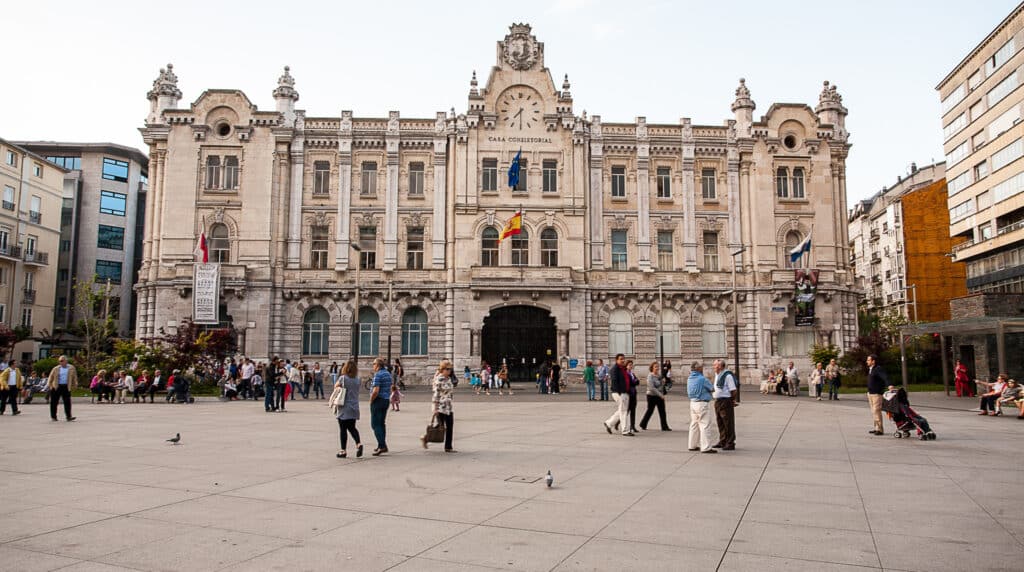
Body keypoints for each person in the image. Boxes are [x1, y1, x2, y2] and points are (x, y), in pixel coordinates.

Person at [422, 359, 456, 452]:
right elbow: (436, 394)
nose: (450, 371)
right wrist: (435, 408)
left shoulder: (448, 378)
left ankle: (448, 447)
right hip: (440, 407)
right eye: (448, 369)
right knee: (440, 427)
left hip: (448, 406)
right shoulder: (439, 379)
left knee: (448, 426)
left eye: (450, 369)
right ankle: (426, 438)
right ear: (443, 369)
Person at [687, 361, 717, 453]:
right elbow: (712, 388)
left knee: (694, 424)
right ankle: (706, 447)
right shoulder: (702, 379)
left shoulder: (689, 379)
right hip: (702, 403)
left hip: (693, 403)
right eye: (701, 368)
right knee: (705, 425)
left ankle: (692, 445)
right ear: (699, 369)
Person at [335, 360, 363, 459]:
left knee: (343, 429)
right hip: (354, 406)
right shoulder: (358, 379)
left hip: (344, 406)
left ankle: (343, 451)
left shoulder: (343, 378)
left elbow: (336, 387)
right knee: (352, 427)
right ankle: (358, 444)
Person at [603, 353, 633, 436]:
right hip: (619, 392)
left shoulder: (622, 368)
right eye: (621, 359)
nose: (623, 360)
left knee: (621, 410)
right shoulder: (614, 369)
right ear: (617, 360)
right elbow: (614, 381)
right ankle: (625, 430)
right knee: (623, 411)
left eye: (623, 358)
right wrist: (620, 392)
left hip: (625, 392)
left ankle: (609, 423)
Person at [712, 359, 737, 450]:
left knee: (728, 422)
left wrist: (732, 400)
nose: (713, 367)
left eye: (715, 365)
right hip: (718, 401)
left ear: (720, 366)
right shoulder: (717, 375)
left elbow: (733, 390)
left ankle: (730, 442)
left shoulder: (727, 376)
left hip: (725, 401)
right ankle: (723, 440)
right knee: (720, 422)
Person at [369, 357, 392, 456]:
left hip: (378, 400)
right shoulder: (388, 374)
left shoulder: (378, 375)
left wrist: (371, 400)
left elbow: (376, 391)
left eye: (374, 364)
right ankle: (381, 444)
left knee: (375, 424)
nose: (373, 366)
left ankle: (382, 445)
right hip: (386, 400)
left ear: (378, 365)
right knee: (382, 423)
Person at [639, 361, 670, 431]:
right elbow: (651, 388)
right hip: (651, 396)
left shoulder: (659, 376)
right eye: (655, 367)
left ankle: (664, 426)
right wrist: (660, 394)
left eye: (658, 367)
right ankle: (643, 424)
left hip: (659, 396)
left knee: (662, 411)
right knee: (650, 410)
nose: (657, 368)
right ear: (652, 368)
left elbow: (661, 386)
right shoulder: (650, 376)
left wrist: (663, 382)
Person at [47, 355, 77, 421]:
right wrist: (49, 385)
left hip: (66, 386)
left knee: (67, 402)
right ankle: (53, 416)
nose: (60, 362)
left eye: (62, 361)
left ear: (66, 361)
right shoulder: (56, 368)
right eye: (60, 361)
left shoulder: (71, 368)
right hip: (57, 386)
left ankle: (68, 416)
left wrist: (75, 384)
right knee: (54, 402)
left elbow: (74, 377)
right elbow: (50, 377)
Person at [866, 354, 888, 435]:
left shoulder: (878, 369)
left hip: (876, 394)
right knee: (873, 411)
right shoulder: (871, 369)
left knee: (876, 410)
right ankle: (876, 428)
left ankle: (880, 429)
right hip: (870, 393)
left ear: (873, 361)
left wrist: (889, 385)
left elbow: (885, 377)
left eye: (868, 360)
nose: (867, 361)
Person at [626, 360, 639, 433]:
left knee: (633, 410)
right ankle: (618, 422)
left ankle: (632, 426)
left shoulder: (632, 374)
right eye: (629, 365)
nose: (631, 366)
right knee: (626, 411)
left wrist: (635, 381)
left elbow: (637, 382)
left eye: (631, 365)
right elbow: (631, 382)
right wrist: (635, 381)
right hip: (629, 394)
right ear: (626, 366)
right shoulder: (626, 374)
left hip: (634, 393)